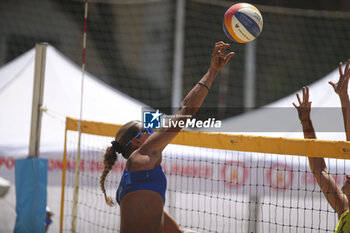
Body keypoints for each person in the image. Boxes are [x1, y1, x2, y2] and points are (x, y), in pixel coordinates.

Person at [99, 41, 234, 233]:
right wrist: (212, 72)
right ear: (136, 141)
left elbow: (178, 232)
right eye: (146, 129)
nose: (153, 131)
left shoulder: (138, 181)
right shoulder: (140, 158)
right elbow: (185, 111)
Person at [293, 60, 350, 232]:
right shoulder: (345, 211)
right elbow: (320, 170)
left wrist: (344, 97)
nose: (347, 175)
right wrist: (306, 123)